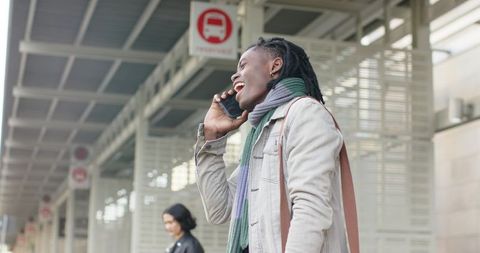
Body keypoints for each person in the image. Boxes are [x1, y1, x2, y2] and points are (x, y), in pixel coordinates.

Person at [194, 37, 353, 253]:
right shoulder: (261, 135)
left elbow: (311, 209)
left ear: (275, 66)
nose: (234, 75)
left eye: (243, 65)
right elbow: (219, 210)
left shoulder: (305, 112)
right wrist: (212, 137)